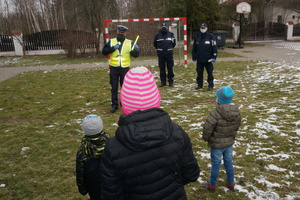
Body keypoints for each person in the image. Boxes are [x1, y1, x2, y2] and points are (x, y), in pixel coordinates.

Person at [100, 66, 200, 200]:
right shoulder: (177, 133)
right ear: (157, 99)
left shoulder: (112, 148)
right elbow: (191, 174)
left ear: (124, 103)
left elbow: (111, 195)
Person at [201, 86, 241, 193]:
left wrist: (206, 138)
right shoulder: (236, 112)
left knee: (215, 165)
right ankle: (230, 183)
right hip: (228, 144)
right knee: (228, 162)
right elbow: (237, 126)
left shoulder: (215, 113)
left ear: (218, 99)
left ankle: (212, 185)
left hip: (216, 146)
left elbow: (207, 128)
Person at [102, 25, 140, 113]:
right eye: (119, 32)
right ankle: (114, 105)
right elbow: (104, 51)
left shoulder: (129, 43)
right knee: (114, 87)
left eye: (122, 33)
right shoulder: (112, 41)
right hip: (114, 68)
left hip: (124, 68)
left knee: (124, 88)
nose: (121, 34)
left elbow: (135, 55)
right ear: (117, 32)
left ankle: (124, 103)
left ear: (125, 33)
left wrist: (136, 50)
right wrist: (112, 48)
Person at [76, 114, 109, 200]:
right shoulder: (111, 145)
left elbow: (80, 172)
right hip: (111, 184)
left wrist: (82, 189)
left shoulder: (82, 152)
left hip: (94, 188)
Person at [192, 23, 218, 91]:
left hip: (208, 59)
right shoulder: (197, 36)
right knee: (199, 73)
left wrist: (214, 56)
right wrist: (194, 57)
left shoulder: (210, 36)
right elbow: (194, 48)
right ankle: (199, 85)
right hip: (200, 59)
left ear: (206, 28)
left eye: (204, 28)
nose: (202, 29)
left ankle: (210, 85)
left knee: (209, 72)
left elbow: (214, 47)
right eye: (201, 28)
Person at [153, 22, 176, 87]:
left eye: (165, 27)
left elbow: (174, 43)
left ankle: (171, 82)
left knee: (170, 68)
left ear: (167, 27)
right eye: (163, 27)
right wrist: (159, 49)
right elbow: (155, 44)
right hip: (161, 54)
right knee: (162, 68)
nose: (164, 28)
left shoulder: (171, 34)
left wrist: (169, 49)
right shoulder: (157, 35)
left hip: (169, 54)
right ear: (160, 27)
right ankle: (163, 82)